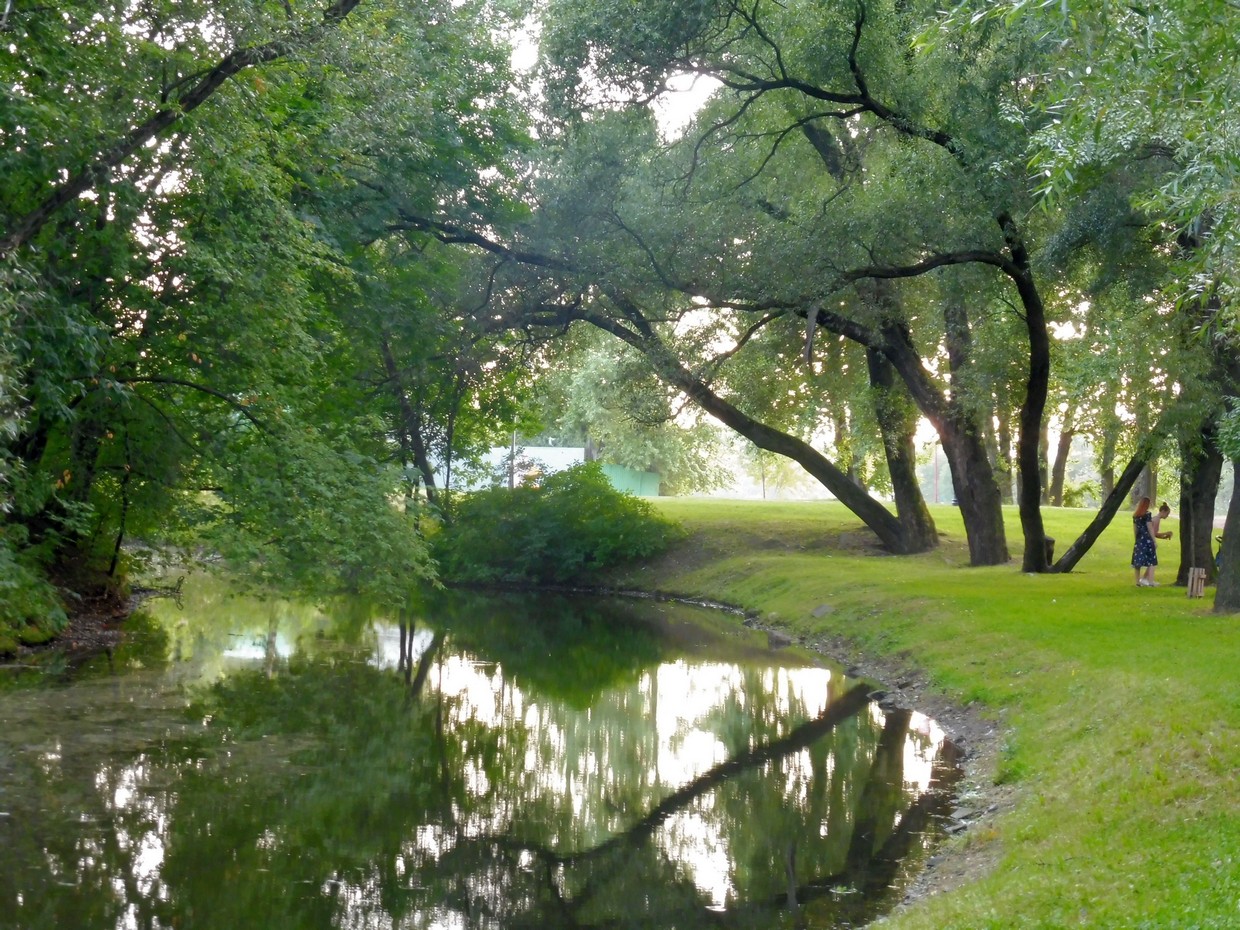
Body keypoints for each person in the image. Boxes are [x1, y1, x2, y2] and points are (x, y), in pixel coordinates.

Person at [1146, 501, 1173, 585]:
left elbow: (1155, 534)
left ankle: (1144, 578)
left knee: (1151, 561)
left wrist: (1164, 537)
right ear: (1163, 512)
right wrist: (1166, 533)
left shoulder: (1155, 518)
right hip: (1150, 542)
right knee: (1152, 562)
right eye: (1167, 514)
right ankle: (1149, 580)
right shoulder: (1156, 520)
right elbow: (1154, 533)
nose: (1167, 516)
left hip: (1149, 541)